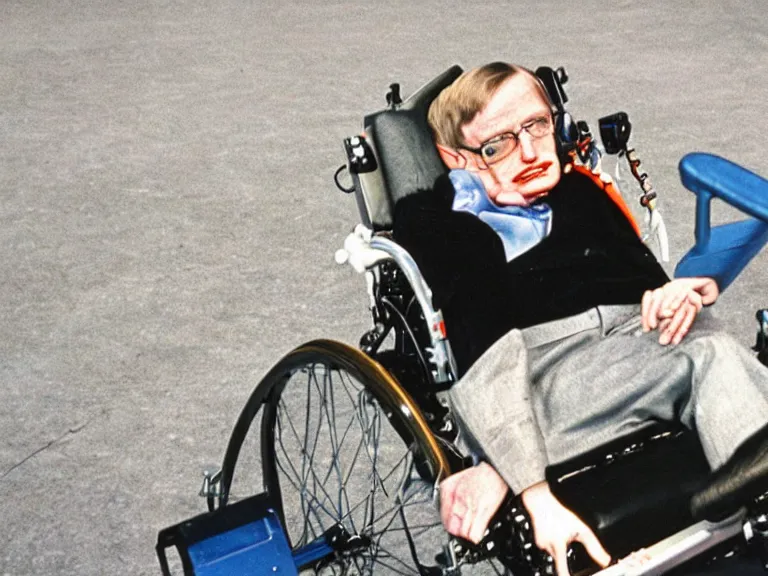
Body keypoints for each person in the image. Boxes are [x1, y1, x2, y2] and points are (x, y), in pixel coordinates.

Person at [391, 62, 768, 576]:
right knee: (711, 354)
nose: (528, 152)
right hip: (543, 373)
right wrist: (531, 489)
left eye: (537, 126)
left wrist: (673, 294)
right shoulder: (453, 228)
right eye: (498, 145)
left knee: (702, 335)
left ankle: (752, 484)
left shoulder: (580, 193)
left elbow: (641, 282)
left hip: (625, 350)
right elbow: (489, 360)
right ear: (456, 158)